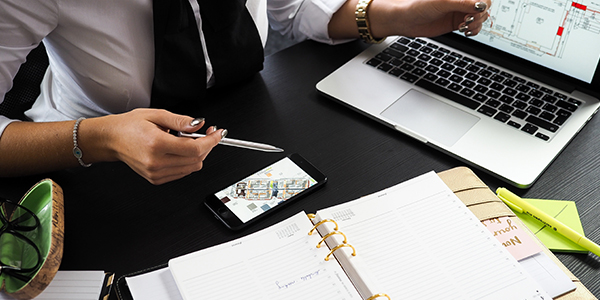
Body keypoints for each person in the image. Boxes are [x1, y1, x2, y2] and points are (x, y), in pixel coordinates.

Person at [0, 0, 490, 185]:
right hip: (96, 170)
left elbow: (294, 11)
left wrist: (391, 15)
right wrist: (100, 138)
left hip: (246, 123)